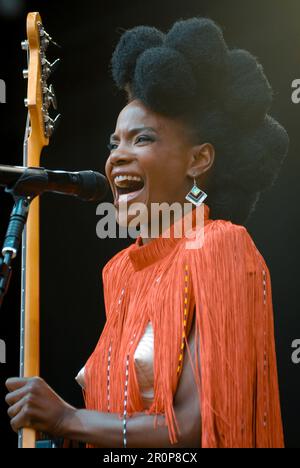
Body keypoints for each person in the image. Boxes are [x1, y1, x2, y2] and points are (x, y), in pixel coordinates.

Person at [5, 17, 288, 448]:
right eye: (114, 143)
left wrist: (68, 418)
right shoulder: (121, 272)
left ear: (199, 159)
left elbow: (194, 429)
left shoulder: (221, 245)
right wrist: (62, 434)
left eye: (141, 139)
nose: (117, 156)